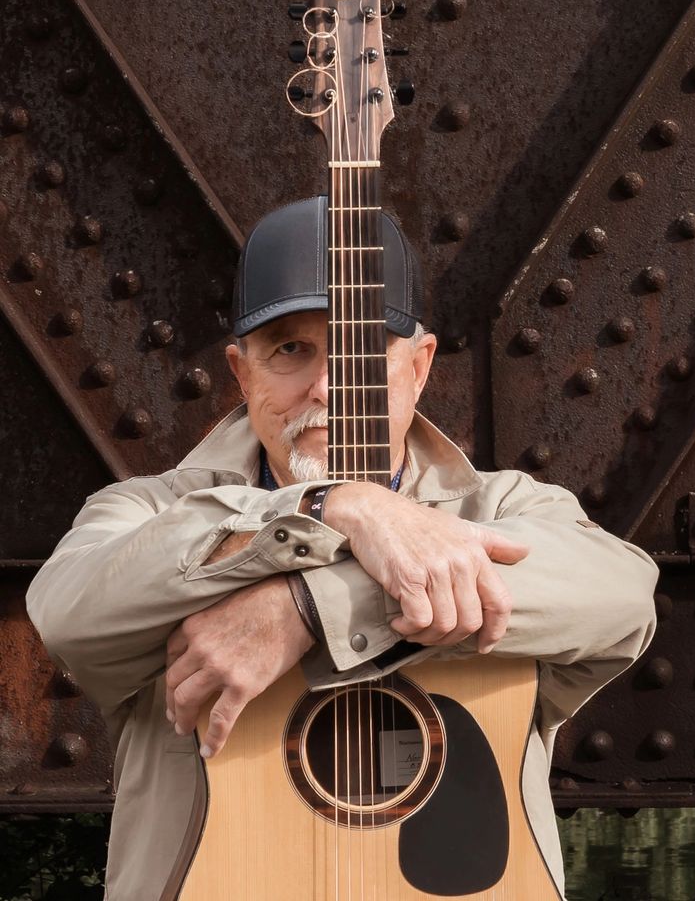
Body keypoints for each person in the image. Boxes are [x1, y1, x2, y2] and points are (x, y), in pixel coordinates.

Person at [26, 196, 658, 901]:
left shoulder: (502, 509)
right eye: (290, 350)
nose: (326, 387)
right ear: (242, 374)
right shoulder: (146, 512)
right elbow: (68, 614)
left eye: (361, 351)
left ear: (419, 368)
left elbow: (622, 596)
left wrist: (308, 607)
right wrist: (334, 505)